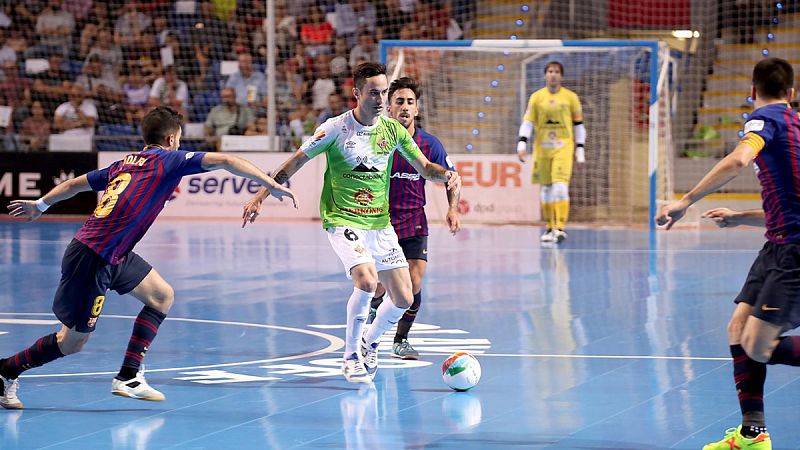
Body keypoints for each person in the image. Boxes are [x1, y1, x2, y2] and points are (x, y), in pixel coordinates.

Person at [2, 106, 297, 410]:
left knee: (161, 296)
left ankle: (129, 376)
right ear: (171, 139)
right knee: (72, 342)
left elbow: (77, 183)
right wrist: (269, 183)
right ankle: (5, 371)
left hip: (113, 252)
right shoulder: (168, 160)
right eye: (179, 140)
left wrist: (41, 204)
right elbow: (226, 160)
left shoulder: (124, 163)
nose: (180, 146)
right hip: (92, 256)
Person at [242, 62, 461, 383]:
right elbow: (293, 163)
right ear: (357, 93)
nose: (380, 98)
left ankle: (369, 342)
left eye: (383, 92)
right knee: (367, 281)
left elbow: (426, 168)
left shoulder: (393, 131)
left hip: (379, 223)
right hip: (342, 218)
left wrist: (446, 174)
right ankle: (350, 357)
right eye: (374, 92)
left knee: (404, 297)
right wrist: (262, 194)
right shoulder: (335, 128)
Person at [656, 57, 800, 450]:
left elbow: (739, 159)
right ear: (792, 93)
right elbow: (787, 206)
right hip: (777, 243)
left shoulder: (765, 122)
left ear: (752, 92)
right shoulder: (793, 129)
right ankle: (752, 435)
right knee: (738, 328)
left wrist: (685, 200)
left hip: (794, 252)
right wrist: (740, 217)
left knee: (760, 346)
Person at [367, 77, 461, 360]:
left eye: (410, 102)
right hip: (380, 221)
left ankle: (401, 339)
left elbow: (451, 178)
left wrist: (452, 208)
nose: (405, 107)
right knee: (378, 285)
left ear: (417, 109)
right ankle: (372, 312)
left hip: (414, 220)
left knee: (414, 282)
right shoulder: (376, 139)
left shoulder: (429, 144)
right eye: (399, 101)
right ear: (388, 108)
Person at [516, 61, 586, 243]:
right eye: (549, 71)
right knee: (546, 189)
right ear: (545, 75)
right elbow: (528, 122)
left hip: (563, 148)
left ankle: (560, 228)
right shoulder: (537, 97)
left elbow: (578, 124)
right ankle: (549, 228)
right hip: (542, 150)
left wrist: (580, 148)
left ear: (561, 76)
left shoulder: (571, 97)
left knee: (560, 187)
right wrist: (522, 143)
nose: (553, 74)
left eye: (556, 71)